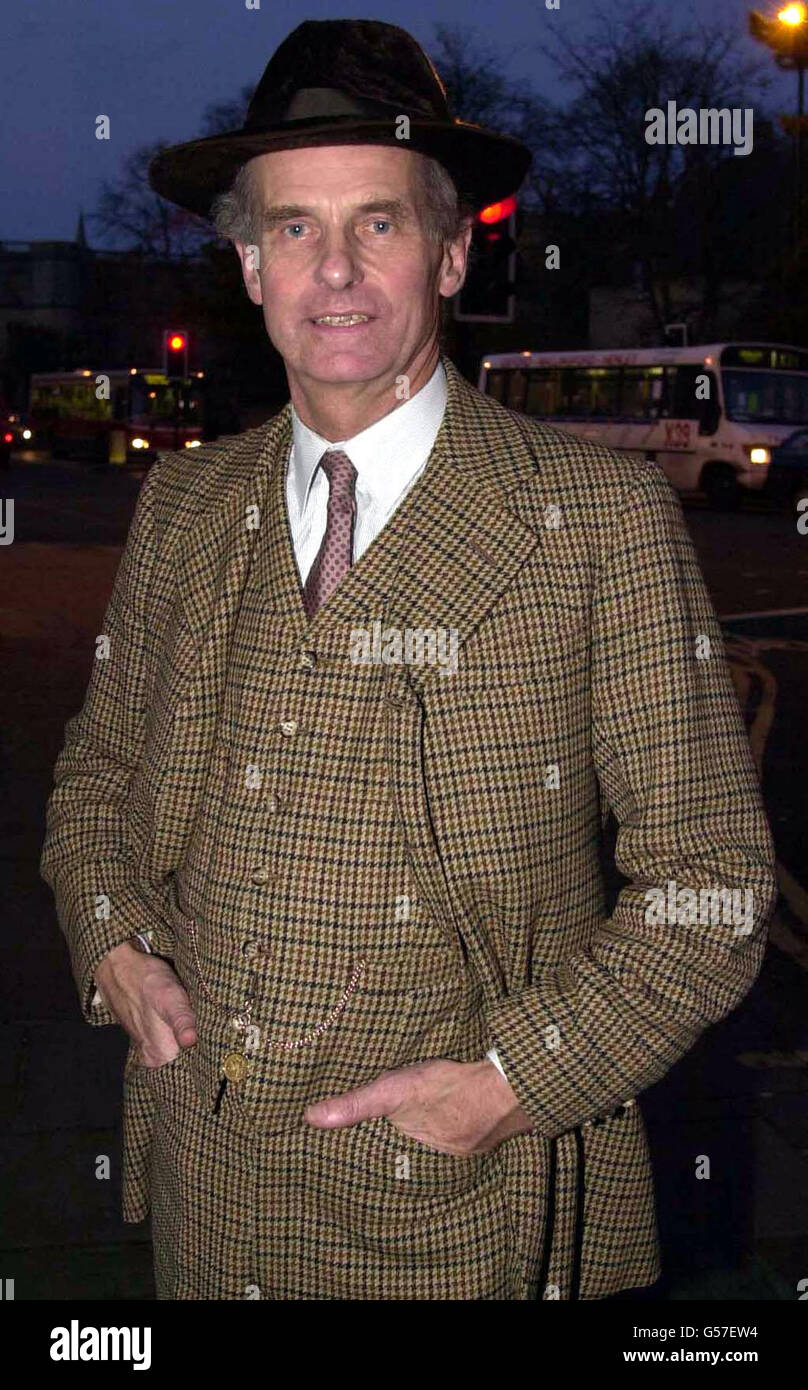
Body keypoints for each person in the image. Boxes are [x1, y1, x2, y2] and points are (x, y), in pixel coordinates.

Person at [40, 18, 777, 1301]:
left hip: (458, 1209)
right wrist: (110, 938)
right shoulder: (184, 504)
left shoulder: (595, 521)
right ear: (248, 261)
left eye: (376, 223)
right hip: (209, 1194)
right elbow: (95, 779)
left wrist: (518, 1082)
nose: (334, 272)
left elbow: (712, 886)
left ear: (452, 250)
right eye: (292, 228)